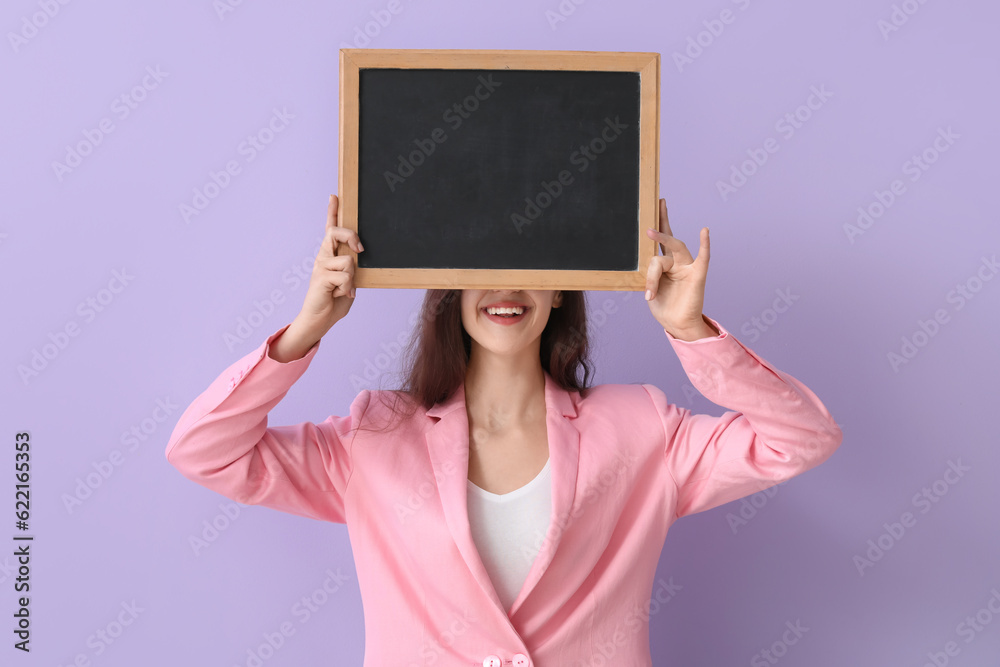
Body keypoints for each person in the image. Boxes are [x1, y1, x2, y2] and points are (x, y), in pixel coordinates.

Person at [165, 194, 842, 667]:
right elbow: (204, 450)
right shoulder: (375, 437)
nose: (506, 286)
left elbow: (802, 437)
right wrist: (304, 331)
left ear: (560, 290)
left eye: (531, 265)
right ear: (448, 289)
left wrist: (690, 331)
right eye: (481, 267)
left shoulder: (640, 427)